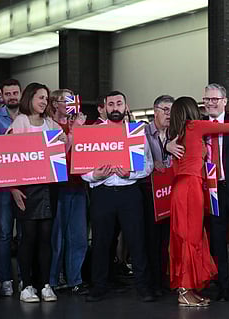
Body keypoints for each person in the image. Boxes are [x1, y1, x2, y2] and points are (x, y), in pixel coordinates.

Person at [169, 83, 229, 301]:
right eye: (207, 99)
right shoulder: (194, 125)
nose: (210, 103)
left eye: (215, 99)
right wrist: (166, 146)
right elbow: (172, 139)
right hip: (210, 191)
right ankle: (222, 286)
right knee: (216, 241)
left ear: (224, 101)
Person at [81, 91, 154, 302]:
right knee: (101, 242)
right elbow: (81, 167)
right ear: (104, 107)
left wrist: (130, 173)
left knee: (137, 241)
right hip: (102, 193)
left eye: (119, 103)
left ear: (125, 106)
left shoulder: (136, 132)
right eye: (110, 104)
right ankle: (98, 286)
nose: (115, 107)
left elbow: (148, 164)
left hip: (129, 193)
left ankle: (143, 287)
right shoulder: (92, 133)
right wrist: (94, 175)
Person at [7, 82, 65, 303]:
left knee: (45, 239)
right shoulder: (19, 122)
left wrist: (63, 140)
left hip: (49, 188)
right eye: (40, 97)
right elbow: (8, 158)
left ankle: (45, 284)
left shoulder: (51, 124)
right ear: (30, 98)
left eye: (46, 98)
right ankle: (27, 284)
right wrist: (13, 189)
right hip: (26, 189)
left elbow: (62, 153)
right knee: (28, 238)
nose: (43, 102)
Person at [48, 89, 89, 295]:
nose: (71, 104)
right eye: (66, 100)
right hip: (58, 186)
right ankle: (52, 280)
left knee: (79, 236)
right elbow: (58, 154)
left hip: (78, 184)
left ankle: (75, 278)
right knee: (57, 237)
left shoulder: (78, 124)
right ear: (55, 103)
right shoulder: (50, 125)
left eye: (73, 100)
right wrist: (74, 132)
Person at [142, 94, 174, 296]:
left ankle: (166, 278)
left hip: (171, 190)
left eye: (172, 110)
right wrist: (153, 165)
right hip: (148, 190)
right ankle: (152, 281)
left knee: (168, 238)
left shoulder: (176, 132)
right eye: (165, 110)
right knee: (151, 238)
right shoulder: (142, 132)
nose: (169, 114)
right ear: (155, 111)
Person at [0, 79, 21, 297]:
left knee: (24, 234)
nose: (12, 96)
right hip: (2, 186)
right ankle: (5, 279)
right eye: (8, 93)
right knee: (3, 234)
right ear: (1, 96)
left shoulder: (28, 117)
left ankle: (24, 277)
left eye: (15, 92)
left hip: (27, 183)